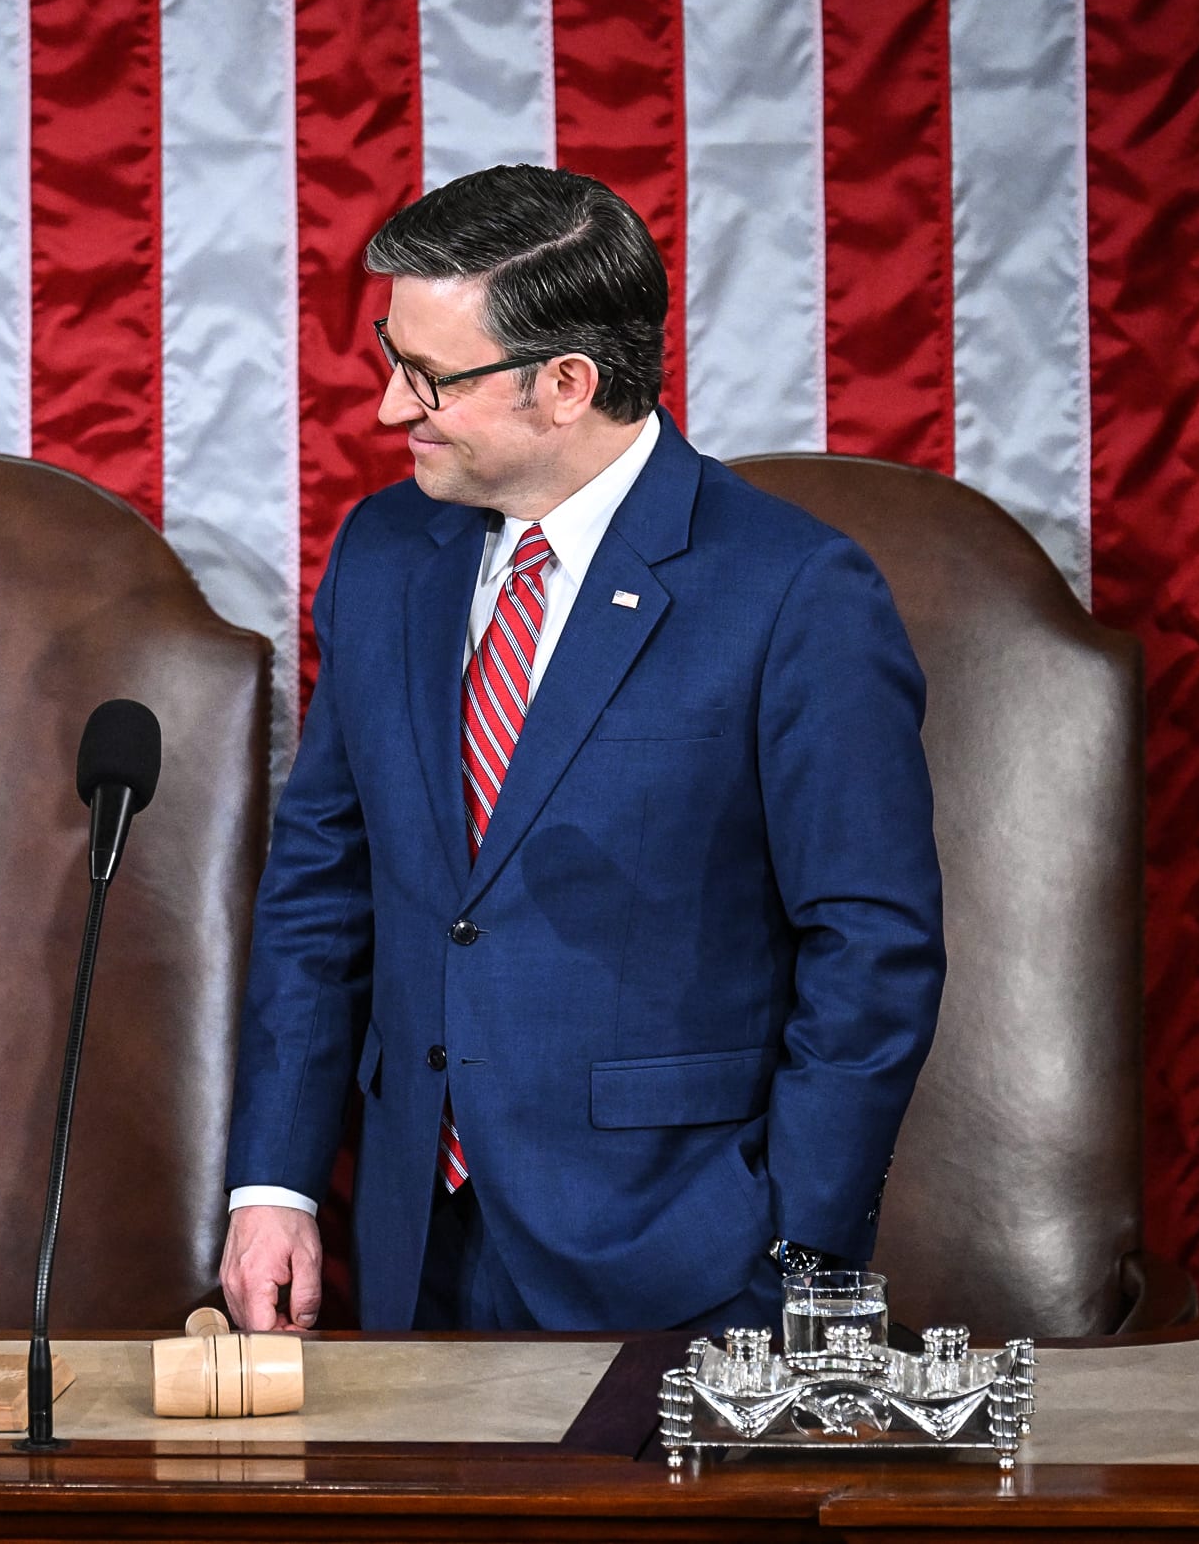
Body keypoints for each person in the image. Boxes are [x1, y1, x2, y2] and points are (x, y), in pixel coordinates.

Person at [219, 165, 944, 1333]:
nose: (388, 409)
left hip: (686, 1264)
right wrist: (276, 1181)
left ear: (565, 384)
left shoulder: (792, 590)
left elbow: (870, 947)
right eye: (389, 354)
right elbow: (324, 886)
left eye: (428, 376)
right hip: (417, 1246)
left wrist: (792, 1249)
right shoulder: (385, 552)